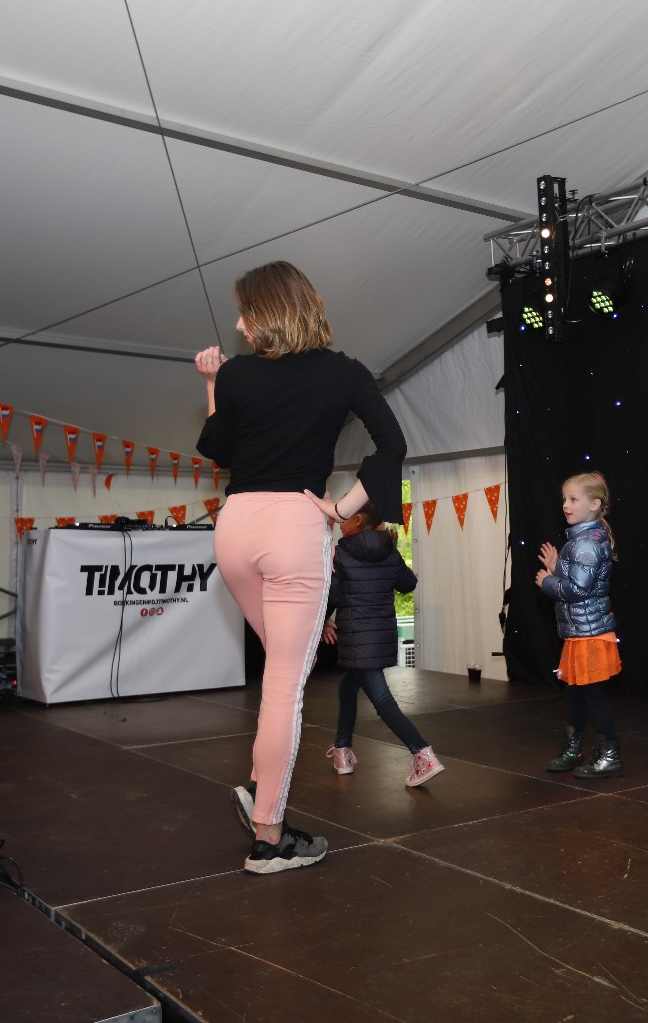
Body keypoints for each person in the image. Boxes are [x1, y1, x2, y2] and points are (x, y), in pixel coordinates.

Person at [194, 260, 405, 875]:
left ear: (272, 310)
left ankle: (259, 787)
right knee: (285, 685)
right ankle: (269, 837)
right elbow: (392, 446)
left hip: (235, 526)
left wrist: (212, 385)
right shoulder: (345, 373)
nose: (239, 325)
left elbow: (217, 450)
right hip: (293, 525)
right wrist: (343, 509)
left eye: (245, 313)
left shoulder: (237, 375)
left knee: (281, 673)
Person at [321, 501, 444, 787]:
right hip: (380, 637)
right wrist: (393, 554)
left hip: (357, 639)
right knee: (347, 688)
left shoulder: (340, 554)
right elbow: (407, 584)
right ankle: (342, 750)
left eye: (343, 516)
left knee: (383, 701)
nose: (339, 520)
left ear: (358, 520)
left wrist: (322, 621)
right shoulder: (389, 550)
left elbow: (332, 596)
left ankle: (423, 755)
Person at [534, 471, 622, 779]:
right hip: (579, 632)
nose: (565, 505)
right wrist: (556, 567)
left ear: (594, 504)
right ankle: (573, 749)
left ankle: (610, 756)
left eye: (573, 499)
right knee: (575, 692)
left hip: (590, 634)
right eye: (564, 499)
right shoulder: (581, 540)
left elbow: (577, 590)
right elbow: (577, 580)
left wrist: (548, 582)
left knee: (593, 695)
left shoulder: (586, 543)